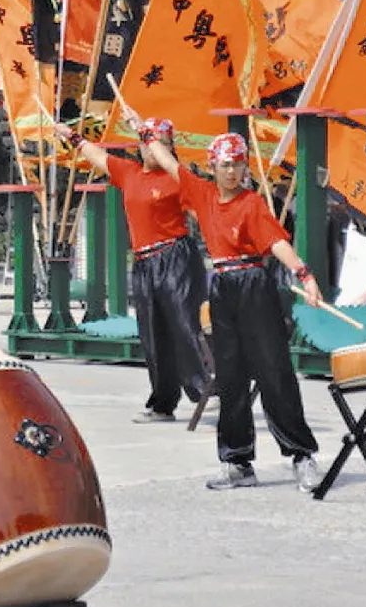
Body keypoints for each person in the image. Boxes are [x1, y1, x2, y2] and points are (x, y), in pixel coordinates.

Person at [138, 128, 324, 493]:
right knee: (231, 378)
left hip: (253, 284)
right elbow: (166, 160)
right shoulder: (202, 194)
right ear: (213, 167)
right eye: (225, 165)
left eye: (238, 164)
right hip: (222, 286)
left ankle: (302, 456)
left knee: (274, 373)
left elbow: (277, 243)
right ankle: (237, 462)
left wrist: (305, 274)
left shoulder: (252, 203)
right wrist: (143, 130)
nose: (232, 172)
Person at [56, 115, 209, 423]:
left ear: (168, 147)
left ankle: (206, 388)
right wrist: (72, 137)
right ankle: (163, 404)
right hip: (144, 262)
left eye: (156, 144)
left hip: (175, 257)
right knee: (153, 333)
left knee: (184, 323)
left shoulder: (178, 178)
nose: (148, 150)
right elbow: (98, 156)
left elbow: (205, 214)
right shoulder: (129, 173)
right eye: (144, 143)